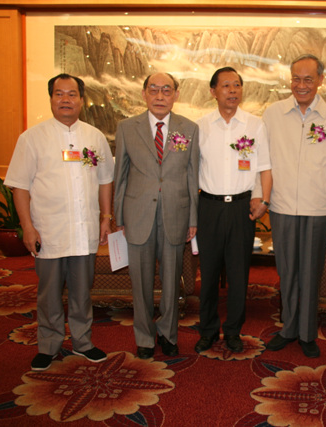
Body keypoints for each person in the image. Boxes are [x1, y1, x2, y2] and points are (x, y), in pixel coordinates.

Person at [5, 73, 114, 371]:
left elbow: (105, 180)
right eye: (59, 93)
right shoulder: (31, 138)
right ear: (51, 98)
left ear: (82, 99)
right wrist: (28, 227)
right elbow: (19, 186)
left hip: (84, 230)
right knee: (49, 293)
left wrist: (106, 218)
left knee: (82, 291)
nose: (65, 99)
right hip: (48, 230)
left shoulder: (95, 137)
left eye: (72, 94)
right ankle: (49, 344)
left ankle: (83, 342)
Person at [259, 54, 326, 358]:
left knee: (310, 272)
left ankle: (307, 333)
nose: (301, 85)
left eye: (308, 79)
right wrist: (262, 197)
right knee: (287, 271)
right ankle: (288, 328)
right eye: (296, 78)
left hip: (318, 208)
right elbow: (262, 161)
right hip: (282, 206)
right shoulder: (273, 114)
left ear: (320, 80)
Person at [114, 72, 199, 359]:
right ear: (144, 94)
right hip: (137, 214)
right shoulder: (127, 128)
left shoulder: (189, 128)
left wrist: (193, 219)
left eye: (166, 90)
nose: (160, 96)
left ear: (176, 95)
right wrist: (118, 217)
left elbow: (192, 175)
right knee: (140, 281)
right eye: (154, 90)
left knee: (172, 280)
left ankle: (168, 334)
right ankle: (144, 337)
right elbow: (120, 175)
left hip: (176, 213)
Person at [194, 67, 272, 354]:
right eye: (226, 85)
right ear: (213, 91)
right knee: (209, 274)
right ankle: (208, 330)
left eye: (237, 85)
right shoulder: (200, 126)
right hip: (209, 207)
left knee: (239, 275)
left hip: (242, 208)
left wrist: (263, 199)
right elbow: (191, 170)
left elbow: (264, 166)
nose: (232, 90)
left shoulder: (254, 125)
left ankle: (233, 331)